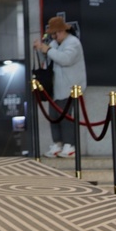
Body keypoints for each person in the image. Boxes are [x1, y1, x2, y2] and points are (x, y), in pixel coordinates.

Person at [33, 15, 87, 157]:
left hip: (70, 87)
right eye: (52, 34)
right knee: (54, 116)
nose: (54, 36)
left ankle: (70, 145)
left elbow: (65, 59)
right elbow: (50, 59)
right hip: (56, 87)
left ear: (63, 31)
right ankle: (58, 143)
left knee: (65, 117)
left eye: (56, 33)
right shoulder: (56, 44)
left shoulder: (73, 43)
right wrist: (41, 50)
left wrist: (48, 50)